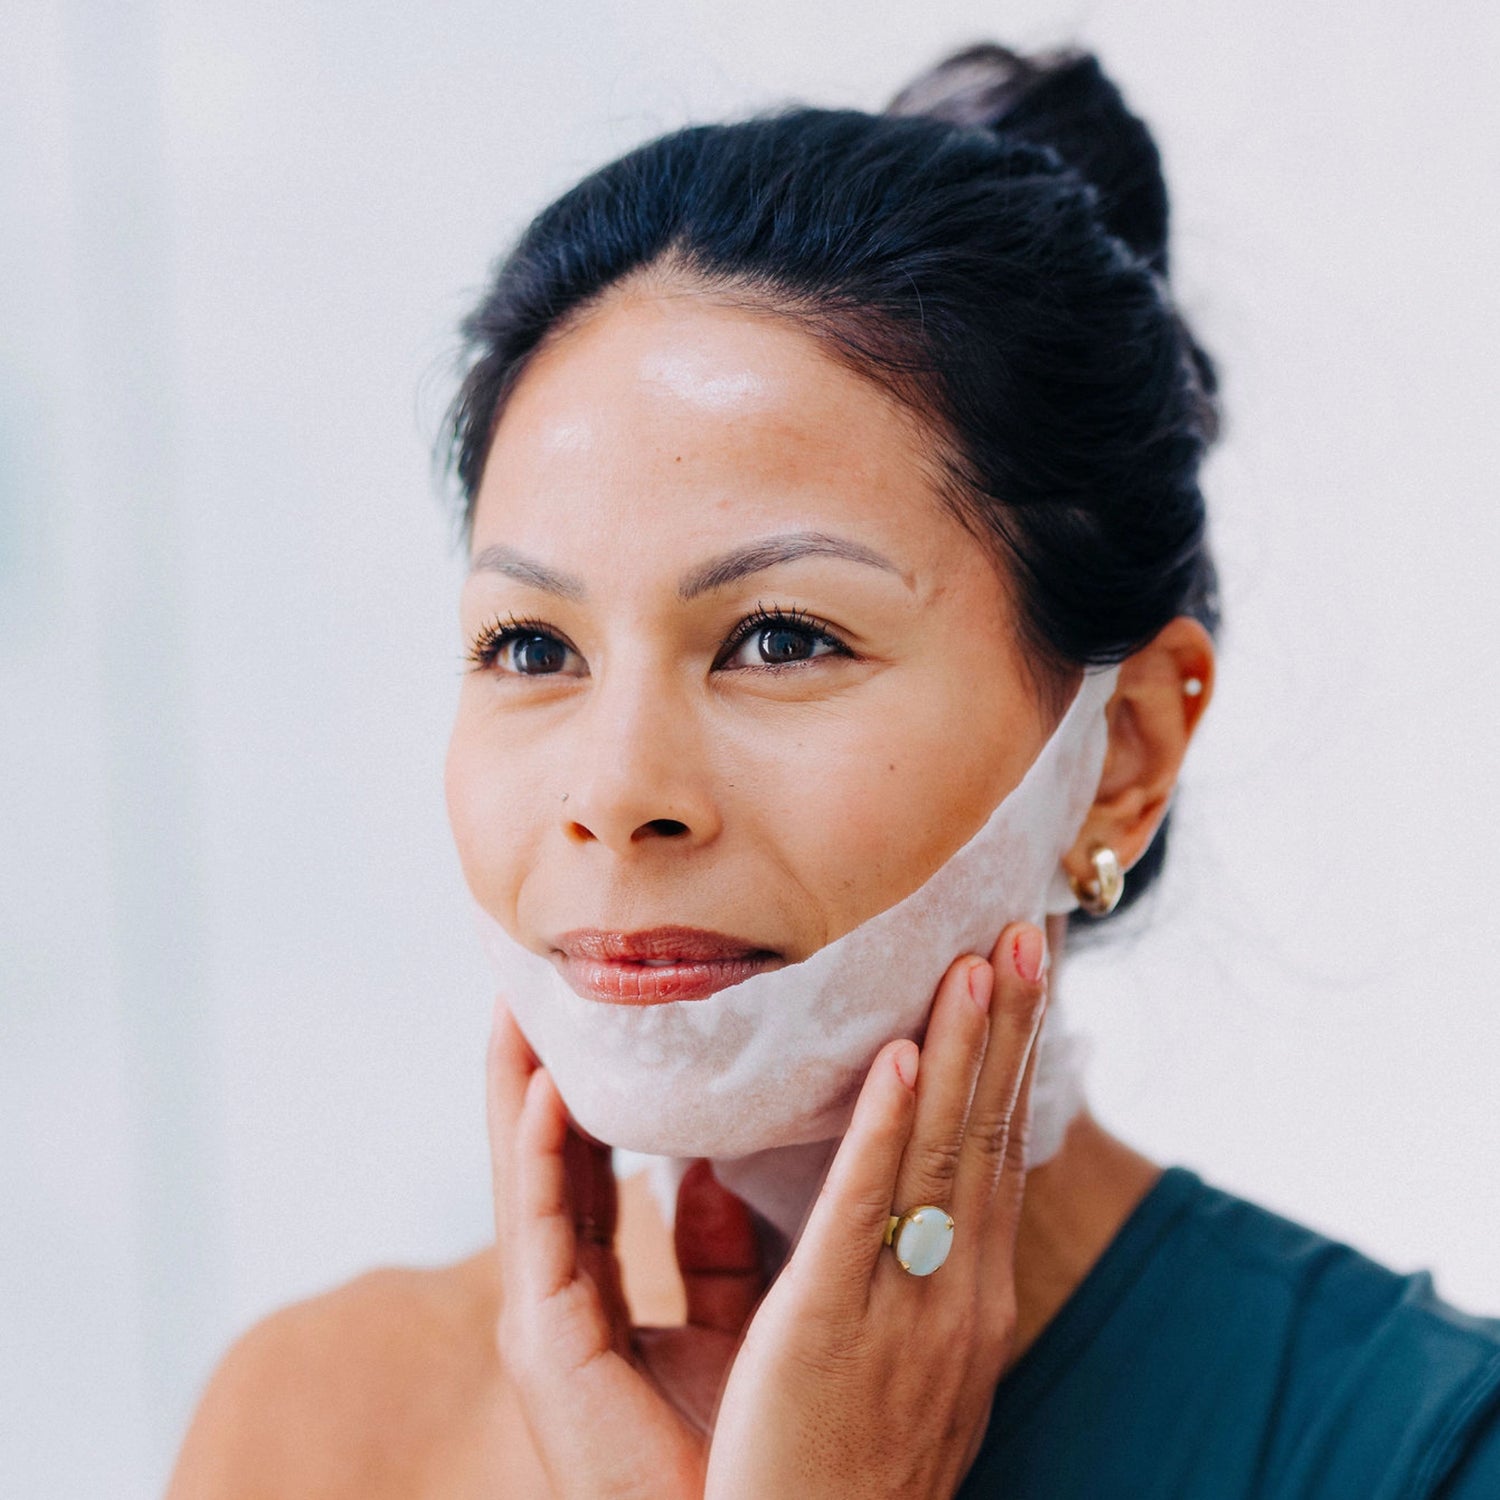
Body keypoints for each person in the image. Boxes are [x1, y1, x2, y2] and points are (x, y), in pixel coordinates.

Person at [167, 41, 1500, 1499]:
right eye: (534, 647)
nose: (615, 795)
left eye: (782, 636)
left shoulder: (1420, 1455)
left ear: (1123, 753)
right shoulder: (316, 1427)